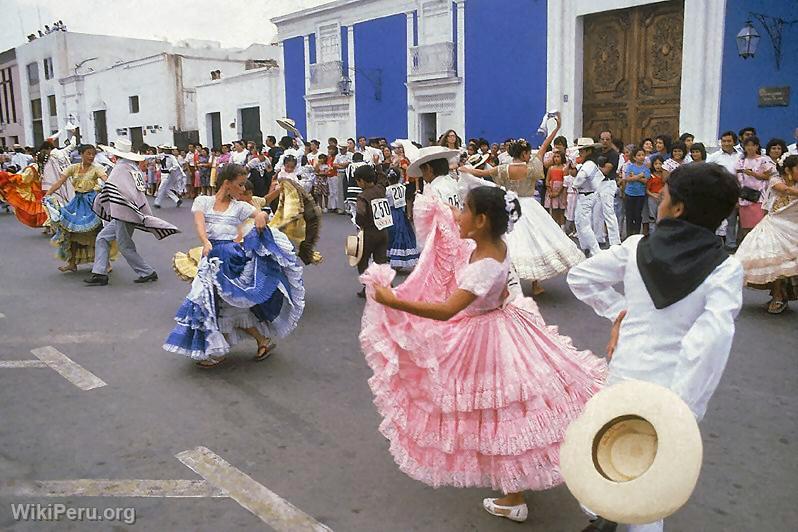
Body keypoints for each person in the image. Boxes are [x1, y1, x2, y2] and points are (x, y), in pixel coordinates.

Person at [360, 185, 606, 524]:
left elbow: (446, 311)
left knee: (500, 412)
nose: (458, 214)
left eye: (464, 209)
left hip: (485, 335)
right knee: (510, 408)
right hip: (500, 322)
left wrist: (394, 301)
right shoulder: (494, 245)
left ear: (481, 219)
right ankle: (518, 486)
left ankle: (516, 496)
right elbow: (497, 284)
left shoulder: (484, 264)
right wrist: (442, 216)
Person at [568, 162, 743, 532]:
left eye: (663, 197)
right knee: (650, 490)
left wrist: (620, 313)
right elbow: (711, 340)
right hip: (671, 393)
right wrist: (685, 408)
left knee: (607, 463)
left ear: (676, 208)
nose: (659, 203)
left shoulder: (634, 249)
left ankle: (605, 517)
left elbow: (579, 278)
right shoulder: (725, 269)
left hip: (622, 381)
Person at [163, 163, 304, 367]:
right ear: (227, 184)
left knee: (224, 305)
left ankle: (221, 350)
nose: (243, 189)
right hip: (210, 258)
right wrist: (205, 241)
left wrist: (262, 218)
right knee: (206, 301)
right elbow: (199, 223)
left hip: (230, 260)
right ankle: (239, 344)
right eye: (239, 185)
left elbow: (259, 213)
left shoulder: (240, 206)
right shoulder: (203, 201)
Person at [462, 115, 584, 293]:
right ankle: (535, 284)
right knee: (536, 241)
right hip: (530, 206)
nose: (530, 155)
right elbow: (543, 148)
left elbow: (480, 173)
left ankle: (505, 284)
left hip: (509, 205)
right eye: (528, 153)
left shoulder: (504, 168)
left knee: (507, 242)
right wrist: (556, 128)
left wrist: (465, 169)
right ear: (524, 153)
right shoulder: (533, 167)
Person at [85, 139, 180, 286]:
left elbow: (113, 188)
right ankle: (99, 273)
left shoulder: (120, 169)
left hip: (123, 211)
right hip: (126, 210)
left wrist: (102, 200)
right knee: (102, 238)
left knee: (124, 246)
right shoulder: (133, 168)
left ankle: (146, 272)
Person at [735, 154, 798, 314]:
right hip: (774, 227)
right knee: (773, 260)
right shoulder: (776, 182)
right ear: (788, 170)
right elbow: (786, 190)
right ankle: (777, 295)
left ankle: (783, 293)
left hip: (793, 228)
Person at [43, 144, 109, 272]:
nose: (91, 156)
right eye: (88, 153)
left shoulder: (97, 169)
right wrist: (47, 194)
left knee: (97, 233)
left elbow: (107, 180)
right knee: (72, 232)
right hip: (77, 202)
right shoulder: (73, 168)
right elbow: (59, 182)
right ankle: (72, 263)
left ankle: (105, 264)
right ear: (81, 154)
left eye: (93, 154)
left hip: (92, 202)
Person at [269, 155, 324, 265]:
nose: (289, 169)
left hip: (292, 204)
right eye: (287, 166)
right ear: (284, 165)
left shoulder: (294, 176)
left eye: (291, 167)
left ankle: (297, 250)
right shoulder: (280, 174)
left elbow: (298, 191)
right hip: (280, 202)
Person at [353, 165, 390, 297]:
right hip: (383, 231)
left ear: (361, 181)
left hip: (369, 233)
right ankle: (386, 287)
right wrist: (378, 167)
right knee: (381, 261)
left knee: (362, 261)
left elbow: (360, 217)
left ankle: (368, 287)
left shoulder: (362, 196)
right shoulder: (380, 189)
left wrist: (358, 223)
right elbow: (383, 179)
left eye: (357, 181)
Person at [736, 136, 776, 242]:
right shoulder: (741, 161)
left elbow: (768, 176)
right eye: (747, 145)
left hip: (758, 196)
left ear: (757, 146)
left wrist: (753, 174)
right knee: (745, 226)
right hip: (744, 196)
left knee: (758, 225)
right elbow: (737, 177)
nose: (749, 148)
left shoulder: (763, 160)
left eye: (752, 145)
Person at [571, 138, 606, 256]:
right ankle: (586, 248)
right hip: (586, 195)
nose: (580, 152)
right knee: (579, 222)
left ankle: (595, 251)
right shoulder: (589, 163)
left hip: (587, 195)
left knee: (583, 224)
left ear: (588, 151)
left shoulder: (588, 164)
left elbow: (580, 179)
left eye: (582, 150)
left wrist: (574, 184)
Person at [708, 131, 741, 249]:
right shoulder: (714, 157)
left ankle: (735, 244)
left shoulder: (741, 155)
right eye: (723, 141)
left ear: (734, 142)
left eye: (729, 141)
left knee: (737, 220)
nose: (726, 143)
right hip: (721, 192)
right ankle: (722, 245)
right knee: (723, 218)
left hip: (739, 191)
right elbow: (708, 173)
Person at [384, 165, 418, 271]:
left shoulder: (387, 190)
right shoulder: (403, 187)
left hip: (392, 213)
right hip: (401, 213)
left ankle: (393, 259)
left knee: (392, 235)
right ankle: (400, 259)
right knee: (403, 234)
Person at [592, 131, 622, 247]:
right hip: (598, 184)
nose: (605, 141)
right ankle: (599, 238)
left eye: (607, 139)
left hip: (608, 183)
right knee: (596, 212)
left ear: (611, 140)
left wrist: (595, 167)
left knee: (608, 211)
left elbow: (605, 171)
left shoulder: (614, 154)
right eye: (603, 139)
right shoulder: (597, 152)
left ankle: (615, 240)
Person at [622, 146, 650, 236]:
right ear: (634, 157)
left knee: (638, 215)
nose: (641, 157)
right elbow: (627, 179)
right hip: (629, 194)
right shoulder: (630, 167)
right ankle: (629, 234)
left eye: (643, 155)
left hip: (640, 195)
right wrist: (639, 176)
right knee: (629, 215)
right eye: (639, 155)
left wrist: (635, 177)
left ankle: (636, 234)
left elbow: (646, 181)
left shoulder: (646, 168)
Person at [644, 155, 666, 234]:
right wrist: (653, 195)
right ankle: (652, 233)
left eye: (660, 164)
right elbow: (647, 190)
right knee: (652, 217)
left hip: (662, 198)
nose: (658, 166)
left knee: (661, 216)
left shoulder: (664, 176)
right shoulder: (651, 176)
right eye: (656, 164)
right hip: (652, 198)